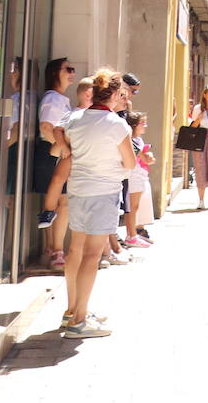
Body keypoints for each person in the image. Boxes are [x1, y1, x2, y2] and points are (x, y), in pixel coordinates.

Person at [59, 69, 135, 338]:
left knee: (76, 251)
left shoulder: (76, 118)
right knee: (92, 255)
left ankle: (73, 311)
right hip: (103, 192)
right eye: (122, 94)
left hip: (78, 189)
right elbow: (130, 163)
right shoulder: (116, 124)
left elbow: (58, 137)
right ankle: (79, 321)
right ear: (114, 94)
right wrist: (117, 172)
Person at [34, 58, 76, 270]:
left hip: (53, 154)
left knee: (54, 203)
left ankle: (51, 250)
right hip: (53, 155)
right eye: (67, 69)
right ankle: (57, 252)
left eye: (73, 69)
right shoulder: (54, 98)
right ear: (54, 74)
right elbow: (45, 127)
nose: (72, 73)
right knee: (63, 203)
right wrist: (62, 148)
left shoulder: (59, 99)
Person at [121, 112, 155, 248]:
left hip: (140, 176)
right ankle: (131, 235)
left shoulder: (139, 140)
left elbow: (144, 158)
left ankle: (134, 234)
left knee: (135, 207)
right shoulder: (131, 141)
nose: (145, 126)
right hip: (133, 176)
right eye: (142, 123)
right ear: (134, 125)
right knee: (132, 208)